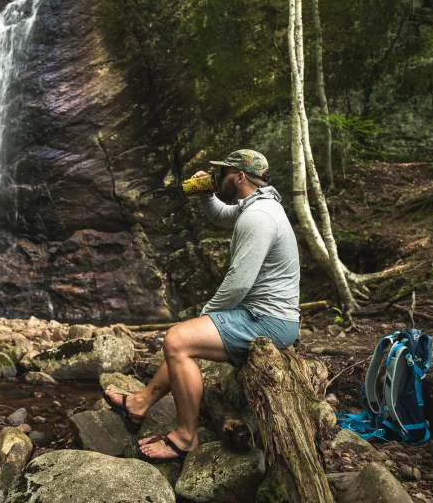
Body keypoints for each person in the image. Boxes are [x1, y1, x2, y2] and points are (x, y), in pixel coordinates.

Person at [103, 149, 301, 463]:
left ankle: (185, 437)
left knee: (178, 340)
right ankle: (139, 405)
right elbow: (222, 215)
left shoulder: (260, 217)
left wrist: (208, 314)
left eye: (221, 173)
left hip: (268, 321)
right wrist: (207, 194)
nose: (215, 177)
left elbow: (239, 281)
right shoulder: (258, 204)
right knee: (182, 340)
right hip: (265, 315)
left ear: (238, 177)